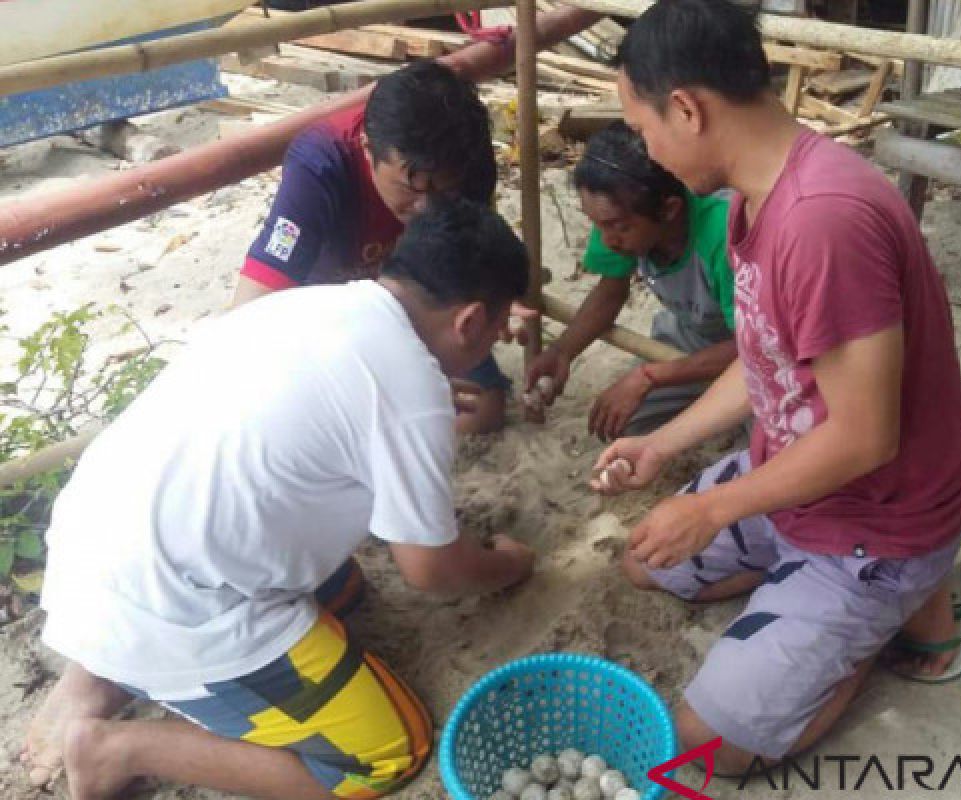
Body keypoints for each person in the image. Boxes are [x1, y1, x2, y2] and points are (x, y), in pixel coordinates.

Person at [23, 197, 536, 800]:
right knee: (388, 752)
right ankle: (115, 750)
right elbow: (431, 569)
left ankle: (102, 675)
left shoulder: (320, 302)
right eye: (497, 329)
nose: (495, 343)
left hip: (98, 547)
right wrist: (508, 562)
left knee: (344, 589)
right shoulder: (410, 383)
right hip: (180, 611)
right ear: (471, 320)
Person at [593, 0, 961, 772]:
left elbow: (867, 436)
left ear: (688, 109)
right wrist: (663, 445)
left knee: (706, 752)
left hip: (877, 522)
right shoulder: (751, 197)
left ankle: (873, 622)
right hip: (798, 483)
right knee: (646, 562)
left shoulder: (821, 221)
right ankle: (843, 610)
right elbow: (766, 355)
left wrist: (714, 506)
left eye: (644, 129)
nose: (648, 148)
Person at [233, 59, 511, 435]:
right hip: (332, 324)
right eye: (412, 188)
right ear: (367, 149)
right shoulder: (321, 162)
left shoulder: (466, 157)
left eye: (443, 191)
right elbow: (251, 313)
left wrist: (504, 299)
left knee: (484, 407)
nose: (427, 209)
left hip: (414, 300)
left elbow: (473, 253)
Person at [525, 122, 737, 440]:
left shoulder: (726, 233)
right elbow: (611, 291)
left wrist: (650, 376)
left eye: (618, 226)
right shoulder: (618, 220)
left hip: (752, 351)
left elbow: (758, 348)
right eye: (597, 224)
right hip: (690, 336)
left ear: (669, 210)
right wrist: (563, 351)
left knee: (771, 446)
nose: (607, 238)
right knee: (626, 428)